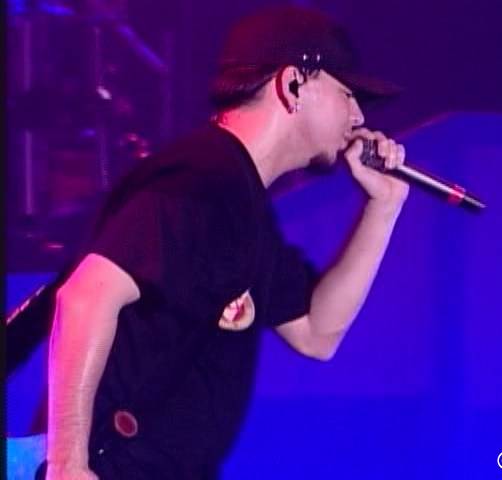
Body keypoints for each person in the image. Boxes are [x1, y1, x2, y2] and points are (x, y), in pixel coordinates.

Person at [44, 5, 409, 479]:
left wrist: (384, 206)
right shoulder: (202, 180)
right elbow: (84, 298)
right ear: (293, 84)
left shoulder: (244, 204)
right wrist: (68, 467)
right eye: (347, 93)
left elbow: (317, 333)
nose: (358, 115)